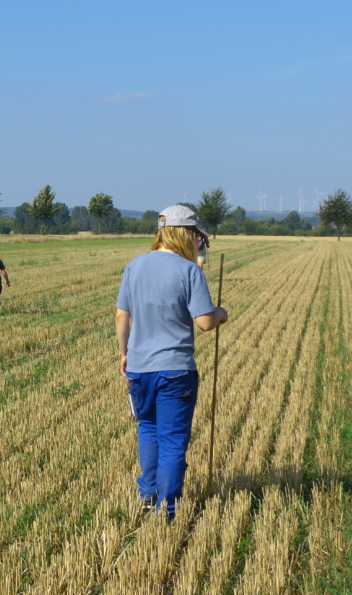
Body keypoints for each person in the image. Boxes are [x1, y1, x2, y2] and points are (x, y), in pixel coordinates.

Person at [115, 205, 228, 522]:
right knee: (173, 441)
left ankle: (149, 497)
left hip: (139, 369)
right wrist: (221, 313)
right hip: (176, 371)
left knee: (148, 430)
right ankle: (169, 509)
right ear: (186, 234)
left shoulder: (134, 267)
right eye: (195, 236)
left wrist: (125, 354)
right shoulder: (189, 271)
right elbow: (205, 322)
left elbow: (122, 316)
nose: (197, 242)